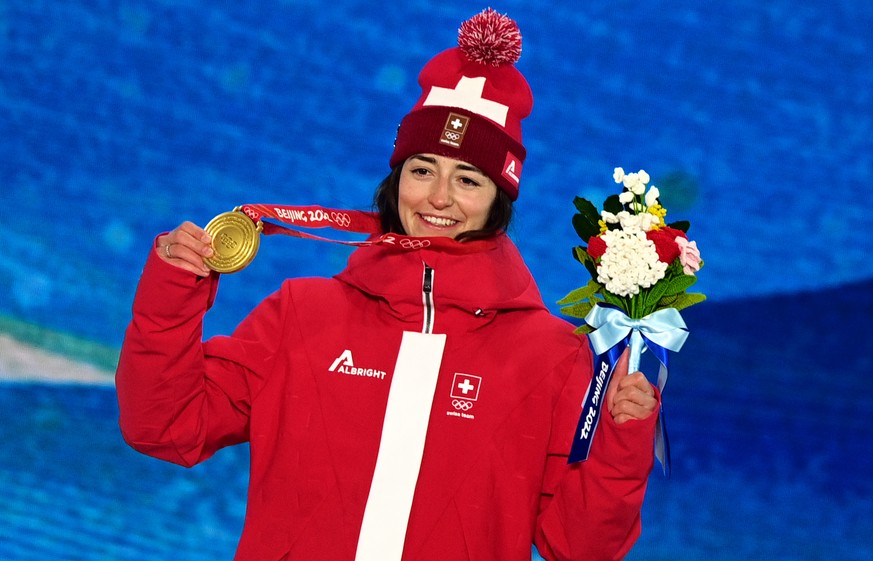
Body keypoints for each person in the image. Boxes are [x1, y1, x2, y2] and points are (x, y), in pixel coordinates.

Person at [116, 8, 659, 561]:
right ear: (397, 179)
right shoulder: (302, 314)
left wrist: (622, 441)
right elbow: (165, 424)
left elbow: (580, 547)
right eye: (422, 170)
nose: (438, 198)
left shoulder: (552, 357)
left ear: (501, 199)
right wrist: (172, 295)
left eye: (467, 180)